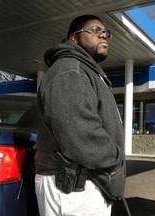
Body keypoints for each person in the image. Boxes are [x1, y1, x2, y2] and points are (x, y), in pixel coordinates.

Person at [34, 15, 126, 216]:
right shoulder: (69, 71)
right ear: (73, 38)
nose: (103, 35)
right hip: (72, 188)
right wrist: (116, 160)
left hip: (84, 185)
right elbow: (80, 134)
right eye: (94, 30)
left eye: (105, 32)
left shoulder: (85, 71)